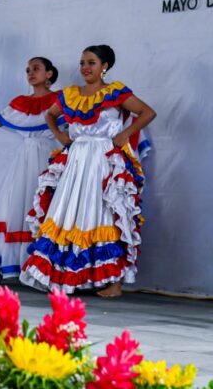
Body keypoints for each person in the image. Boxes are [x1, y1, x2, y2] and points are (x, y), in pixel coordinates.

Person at [19, 45, 156, 297]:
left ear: (104, 66)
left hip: (103, 159)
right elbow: (51, 115)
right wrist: (61, 136)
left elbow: (147, 112)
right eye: (82, 62)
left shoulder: (115, 91)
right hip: (76, 161)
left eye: (91, 62)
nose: (85, 67)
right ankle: (70, 277)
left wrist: (125, 134)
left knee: (104, 213)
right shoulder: (71, 94)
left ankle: (114, 282)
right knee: (70, 213)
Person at [0, 57, 61, 285]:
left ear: (49, 74)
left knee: (38, 208)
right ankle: (1, 263)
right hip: (19, 164)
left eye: (36, 68)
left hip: (45, 160)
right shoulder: (19, 102)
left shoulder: (60, 99)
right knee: (10, 208)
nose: (30, 73)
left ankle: (41, 266)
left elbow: (68, 126)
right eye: (28, 69)